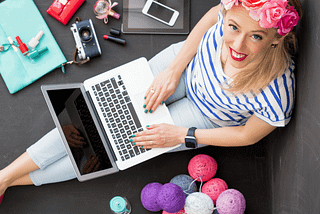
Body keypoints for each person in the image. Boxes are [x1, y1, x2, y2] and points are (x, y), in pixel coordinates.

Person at [0, 0, 302, 203]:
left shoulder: (278, 89)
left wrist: (184, 136)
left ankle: (4, 181)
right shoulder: (227, 11)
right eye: (233, 28)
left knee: (114, 151)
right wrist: (173, 69)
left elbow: (247, 134)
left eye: (256, 37)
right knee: (92, 112)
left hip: (205, 116)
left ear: (275, 38)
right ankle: (4, 178)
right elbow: (212, 17)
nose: (237, 45)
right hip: (184, 66)